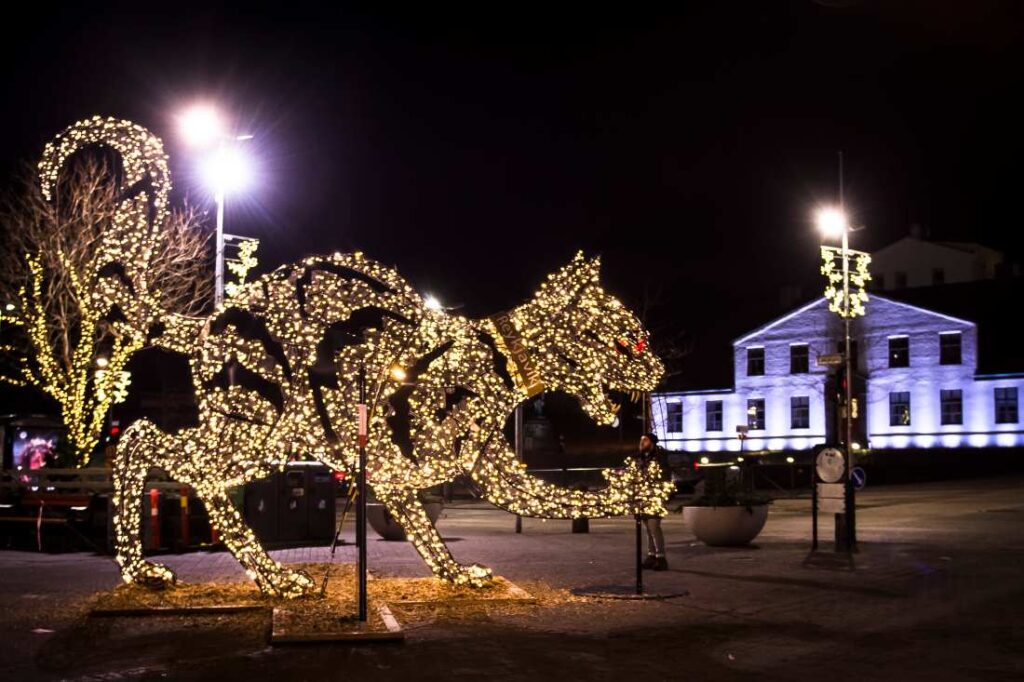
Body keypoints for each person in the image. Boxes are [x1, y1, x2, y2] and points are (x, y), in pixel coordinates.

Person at [637, 432, 670, 571]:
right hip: (644, 496)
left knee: (654, 526)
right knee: (648, 527)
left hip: (655, 495)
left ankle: (661, 557)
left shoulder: (659, 457)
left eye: (645, 440)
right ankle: (652, 555)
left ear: (652, 442)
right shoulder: (641, 458)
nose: (642, 443)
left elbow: (665, 475)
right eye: (641, 440)